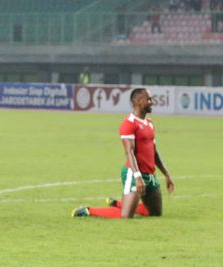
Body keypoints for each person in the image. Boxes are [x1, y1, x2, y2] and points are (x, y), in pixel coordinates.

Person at [72, 88, 174, 219]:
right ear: (137, 101)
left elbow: (154, 152)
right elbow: (129, 152)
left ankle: (118, 203)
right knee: (126, 216)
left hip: (150, 175)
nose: (151, 102)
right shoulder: (128, 124)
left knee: (155, 213)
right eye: (148, 99)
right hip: (134, 173)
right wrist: (137, 177)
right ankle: (88, 211)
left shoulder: (150, 123)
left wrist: (166, 174)